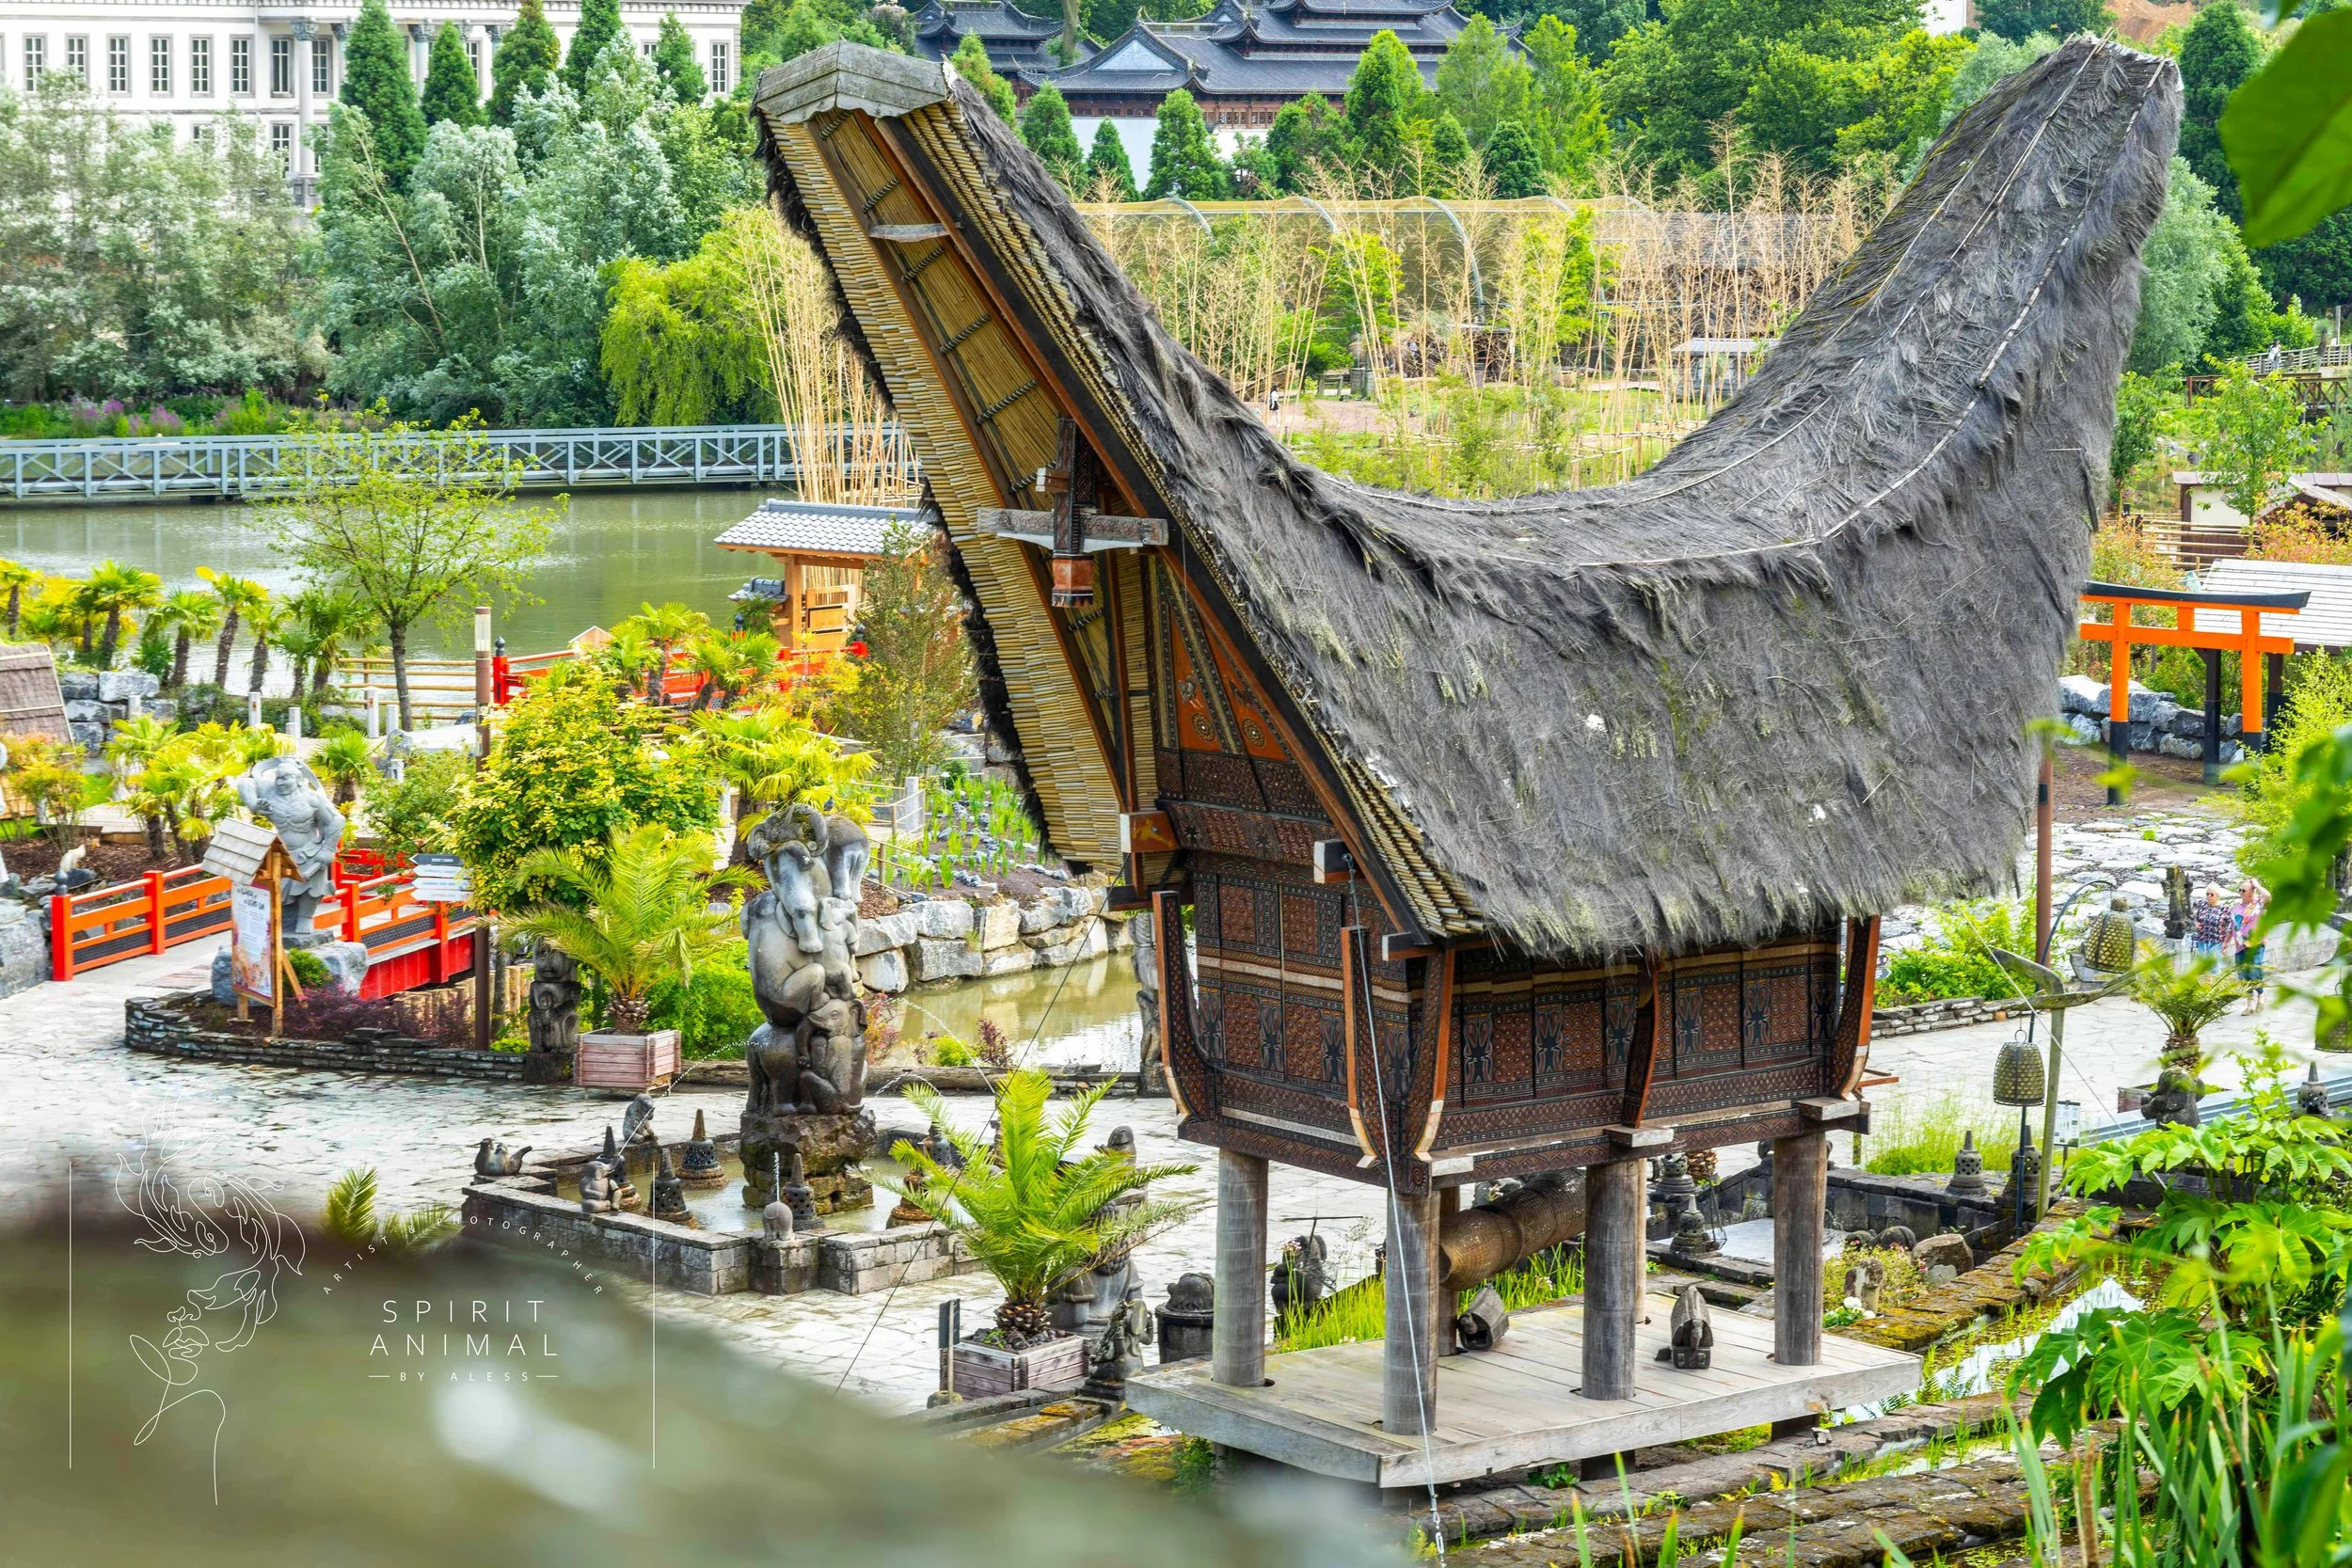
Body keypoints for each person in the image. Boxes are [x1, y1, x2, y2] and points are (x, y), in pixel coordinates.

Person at [2236, 879, 2269, 1012]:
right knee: (2243, 976)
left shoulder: (2258, 904)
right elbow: (2231, 927)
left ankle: (2261, 995)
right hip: (2240, 946)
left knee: (2254, 972)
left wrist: (2257, 885)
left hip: (2256, 944)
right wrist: (2226, 943)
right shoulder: (2237, 907)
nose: (2240, 893)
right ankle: (2249, 1005)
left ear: (2251, 892)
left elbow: (2268, 896)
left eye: (2243, 890)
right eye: (2239, 890)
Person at [2191, 884, 2235, 961]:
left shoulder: (2225, 909)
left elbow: (2232, 925)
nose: (2209, 896)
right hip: (2202, 941)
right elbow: (2196, 918)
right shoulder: (2203, 905)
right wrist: (2196, 925)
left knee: (2215, 969)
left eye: (2212, 894)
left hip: (2216, 943)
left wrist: (2227, 942)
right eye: (2207, 894)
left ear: (2218, 896)